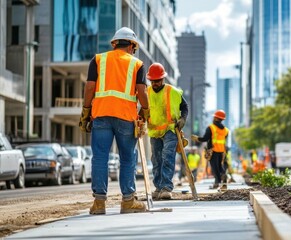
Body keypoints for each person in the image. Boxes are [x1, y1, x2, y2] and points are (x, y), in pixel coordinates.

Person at [79, 27, 149, 215]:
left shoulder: (98, 60)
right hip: (126, 117)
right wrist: (146, 112)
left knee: (100, 157)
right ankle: (127, 202)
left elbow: (89, 88)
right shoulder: (137, 64)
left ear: (114, 43)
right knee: (127, 159)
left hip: (101, 115)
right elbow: (142, 91)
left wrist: (86, 112)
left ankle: (99, 203)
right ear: (132, 46)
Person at [145, 62, 188, 200]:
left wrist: (183, 119)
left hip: (170, 129)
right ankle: (158, 187)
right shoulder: (147, 92)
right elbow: (143, 110)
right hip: (154, 131)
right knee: (156, 160)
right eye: (153, 81)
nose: (155, 83)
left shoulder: (173, 92)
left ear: (163, 79)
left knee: (167, 156)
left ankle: (167, 187)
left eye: (157, 81)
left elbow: (185, 107)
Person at [191, 110, 229, 190]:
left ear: (215, 118)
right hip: (221, 151)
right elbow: (224, 140)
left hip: (213, 151)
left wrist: (197, 138)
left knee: (215, 168)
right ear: (222, 119)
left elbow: (205, 138)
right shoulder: (226, 130)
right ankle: (222, 181)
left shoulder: (211, 128)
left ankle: (218, 182)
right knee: (219, 166)